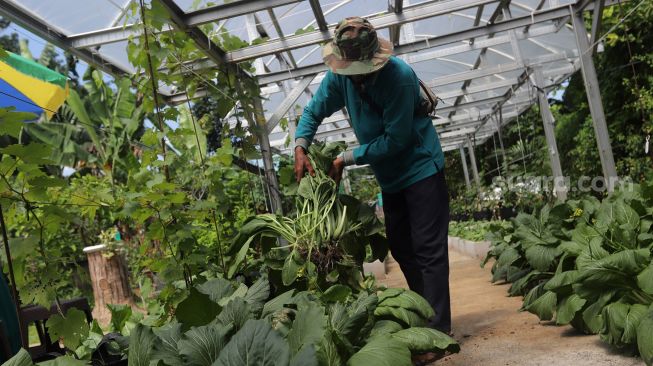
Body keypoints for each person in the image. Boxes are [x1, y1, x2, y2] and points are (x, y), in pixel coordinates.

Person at [293, 16, 451, 339]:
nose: (357, 78)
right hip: (391, 180)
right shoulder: (340, 78)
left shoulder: (399, 78)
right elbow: (313, 111)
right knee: (403, 247)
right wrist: (300, 144)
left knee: (427, 248)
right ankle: (426, 313)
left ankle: (438, 331)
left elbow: (397, 140)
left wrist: (345, 158)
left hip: (420, 169)